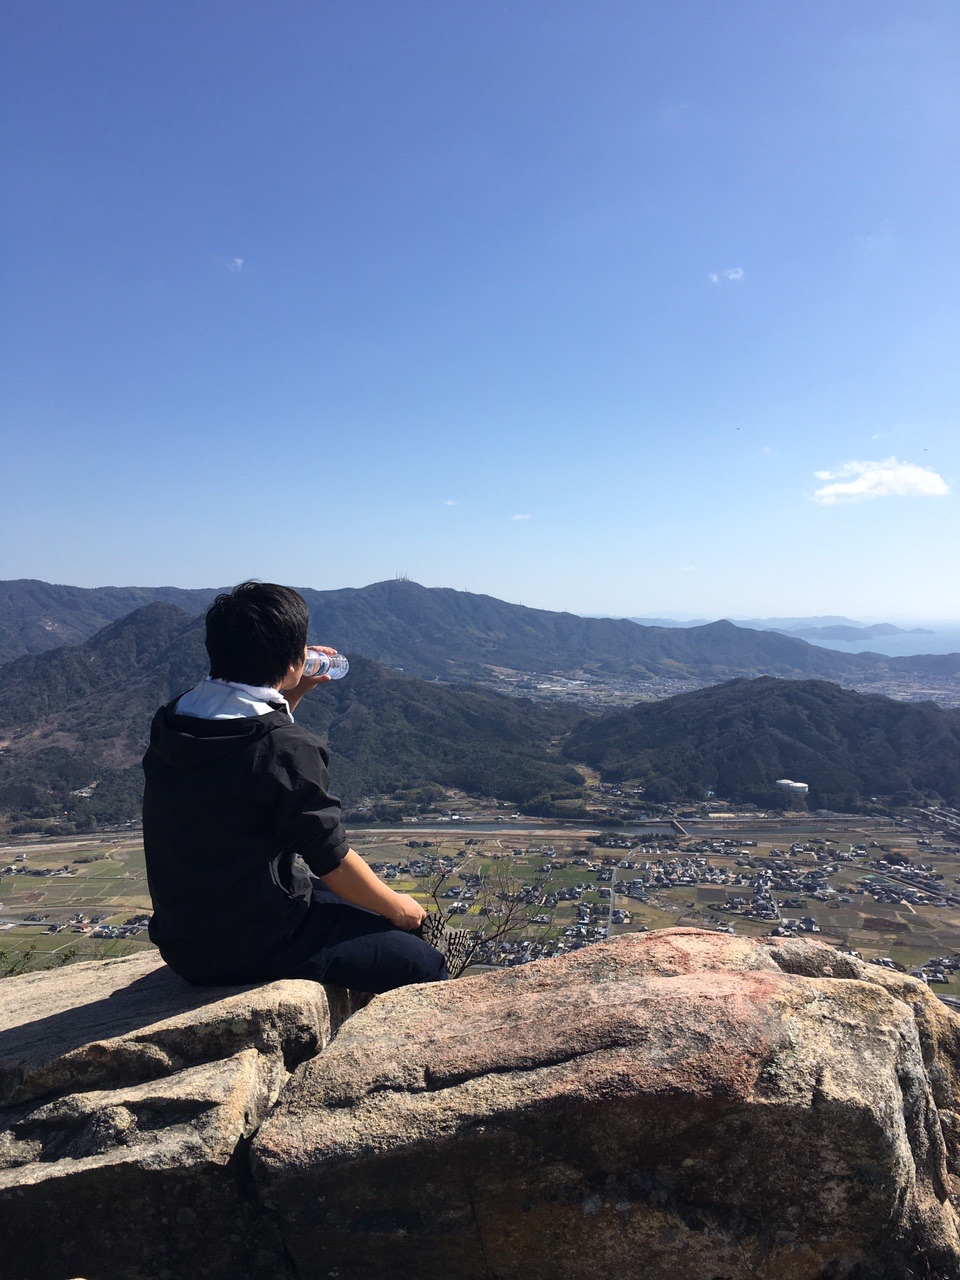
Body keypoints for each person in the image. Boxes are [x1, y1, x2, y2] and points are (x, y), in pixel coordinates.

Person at [141, 580, 448, 992]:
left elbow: (260, 758)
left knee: (353, 908)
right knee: (422, 961)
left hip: (185, 941)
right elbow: (330, 859)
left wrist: (292, 691)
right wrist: (400, 908)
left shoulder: (176, 717)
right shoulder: (286, 748)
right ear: (293, 660)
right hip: (255, 941)